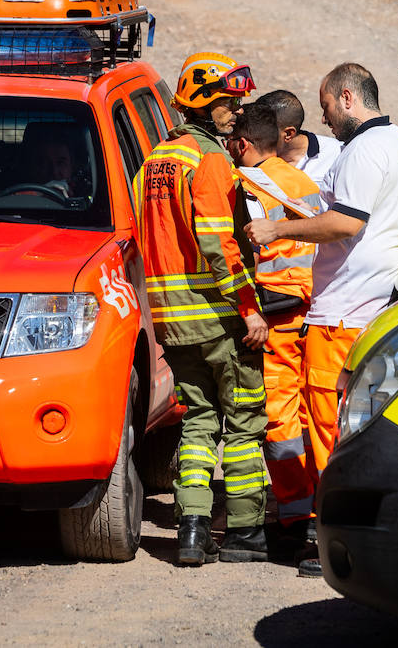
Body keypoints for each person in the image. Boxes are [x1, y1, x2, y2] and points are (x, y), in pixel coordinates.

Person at [246, 62, 398, 577]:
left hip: (344, 311)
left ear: (347, 98)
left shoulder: (365, 149)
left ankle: (330, 542)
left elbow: (347, 222)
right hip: (379, 302)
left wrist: (279, 228)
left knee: (328, 429)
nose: (322, 117)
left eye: (325, 106)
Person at [131, 52, 270, 566]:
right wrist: (249, 308)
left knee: (197, 422)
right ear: (203, 103)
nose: (236, 112)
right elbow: (218, 245)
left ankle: (191, 531)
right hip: (217, 316)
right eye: (228, 103)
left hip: (171, 319)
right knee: (243, 422)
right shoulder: (209, 160)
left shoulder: (152, 161)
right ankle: (247, 531)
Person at [225, 105, 323, 554]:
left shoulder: (247, 187)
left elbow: (241, 254)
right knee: (315, 413)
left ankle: (299, 516)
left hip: (276, 316)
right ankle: (319, 507)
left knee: (280, 418)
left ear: (243, 144)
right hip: (314, 310)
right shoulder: (302, 180)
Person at [252, 89, 342, 184]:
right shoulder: (253, 157)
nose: (255, 136)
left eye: (263, 131)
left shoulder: (337, 154)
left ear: (288, 134)